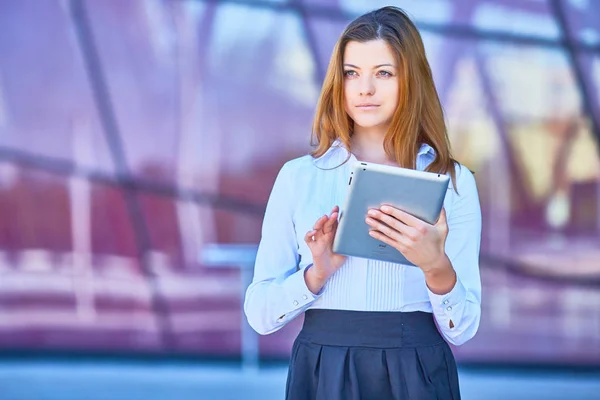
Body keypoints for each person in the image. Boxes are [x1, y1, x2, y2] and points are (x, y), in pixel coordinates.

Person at [244, 6, 481, 400]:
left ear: (412, 80)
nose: (364, 88)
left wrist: (435, 265)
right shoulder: (299, 177)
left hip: (417, 372)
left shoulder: (454, 183)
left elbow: (464, 327)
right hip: (323, 371)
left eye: (383, 73)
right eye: (351, 73)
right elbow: (259, 315)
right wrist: (315, 274)